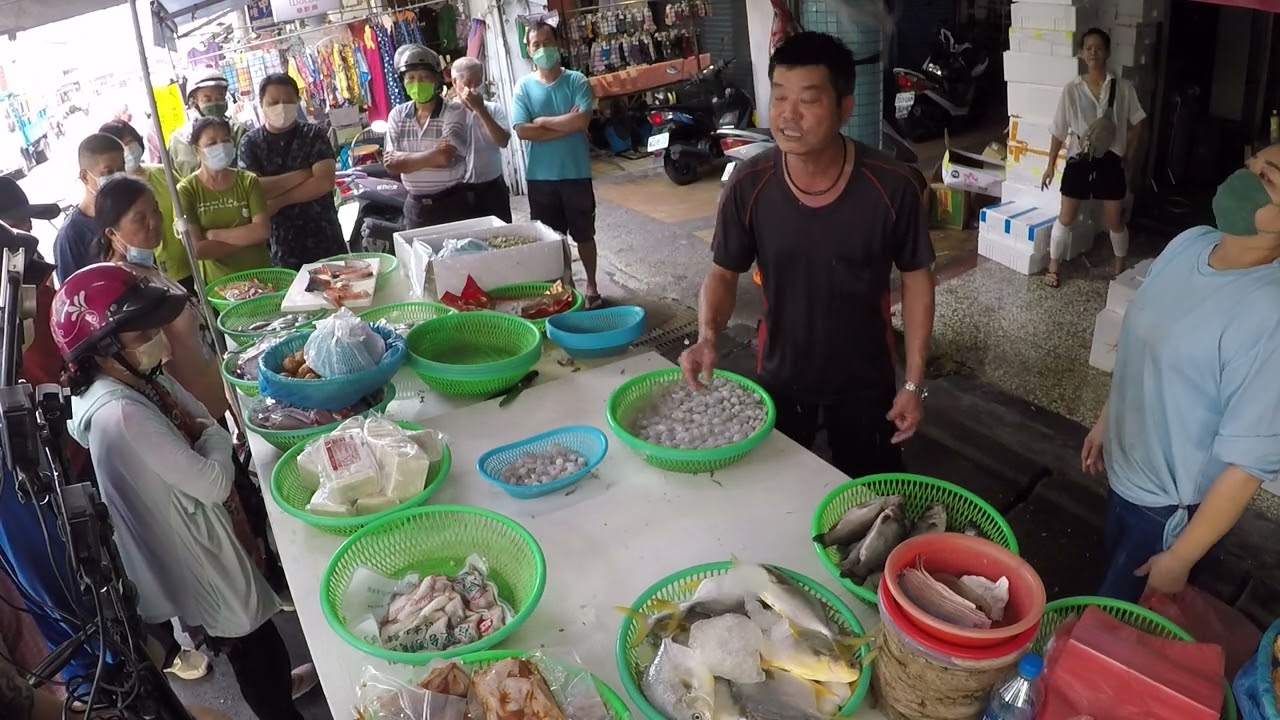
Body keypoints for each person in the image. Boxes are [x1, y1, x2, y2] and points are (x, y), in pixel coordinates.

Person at [679, 31, 936, 480]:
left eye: (809, 101)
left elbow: (917, 278)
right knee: (775, 491)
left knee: (870, 498)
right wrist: (707, 337)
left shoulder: (892, 186)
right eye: (779, 98)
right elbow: (723, 272)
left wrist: (913, 381)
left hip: (865, 380)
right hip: (779, 374)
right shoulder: (749, 182)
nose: (788, 115)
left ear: (844, 108)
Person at [53, 264, 306, 720]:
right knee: (253, 650)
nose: (159, 340)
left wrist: (210, 442)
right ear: (103, 350)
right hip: (198, 556)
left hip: (209, 536)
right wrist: (212, 444)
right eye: (143, 333)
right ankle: (278, 707)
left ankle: (280, 694)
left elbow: (208, 423)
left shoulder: (141, 378)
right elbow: (212, 479)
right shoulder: (120, 414)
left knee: (260, 642)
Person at [1081, 146, 1280, 603]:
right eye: (1250, 164)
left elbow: (1248, 463)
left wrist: (1181, 558)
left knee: (1115, 635)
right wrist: (1107, 418)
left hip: (1166, 512)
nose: (1245, 177)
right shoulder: (1192, 241)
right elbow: (1144, 343)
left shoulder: (1268, 314)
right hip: (1125, 473)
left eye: (1267, 179)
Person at [1040, 28, 1146, 288]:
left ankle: (1119, 265)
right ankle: (1054, 264)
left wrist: (1128, 156)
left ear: (1107, 52)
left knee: (1114, 220)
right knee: (1066, 216)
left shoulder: (1122, 88)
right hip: (1079, 160)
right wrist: (1050, 165)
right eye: (1088, 47)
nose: (1093, 52)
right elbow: (1059, 129)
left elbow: (1139, 122)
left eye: (1098, 47)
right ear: (1081, 53)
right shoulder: (1072, 90)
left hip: (1111, 160)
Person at [512, 22, 602, 308]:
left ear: (558, 44)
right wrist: (568, 124)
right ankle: (564, 287)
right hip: (540, 178)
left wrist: (543, 122)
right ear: (529, 49)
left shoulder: (577, 81)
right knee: (552, 241)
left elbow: (582, 121)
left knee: (584, 235)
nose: (543, 49)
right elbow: (522, 130)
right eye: (536, 44)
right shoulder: (524, 87)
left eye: (547, 42)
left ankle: (592, 285)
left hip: (575, 173)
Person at [238, 74, 345, 269]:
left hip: (326, 236)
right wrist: (303, 174)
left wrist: (278, 201)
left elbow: (324, 182)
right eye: (273, 102)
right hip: (281, 244)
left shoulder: (313, 134)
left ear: (297, 101)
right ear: (261, 104)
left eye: (288, 101)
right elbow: (256, 188)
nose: (281, 107)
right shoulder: (250, 142)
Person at [99, 120, 195, 292]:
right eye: (140, 218)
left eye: (155, 211)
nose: (154, 223)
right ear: (112, 233)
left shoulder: (163, 173)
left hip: (187, 265)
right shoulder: (121, 281)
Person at [383, 44, 471, 228]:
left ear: (436, 81)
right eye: (411, 78)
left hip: (452, 204)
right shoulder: (397, 115)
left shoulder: (453, 111)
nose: (417, 83)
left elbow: (444, 156)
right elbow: (391, 165)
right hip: (415, 209)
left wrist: (403, 159)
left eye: (424, 77)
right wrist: (432, 156)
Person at [177, 118, 272, 284]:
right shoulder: (186, 190)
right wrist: (247, 237)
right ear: (196, 151)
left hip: (261, 279)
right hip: (219, 287)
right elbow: (197, 249)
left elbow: (262, 232)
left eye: (226, 140)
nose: (220, 147)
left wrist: (214, 235)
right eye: (211, 143)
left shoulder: (248, 181)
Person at [53, 134, 126, 283]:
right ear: (85, 177)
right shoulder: (70, 235)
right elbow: (72, 297)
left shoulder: (127, 212)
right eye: (108, 173)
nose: (118, 177)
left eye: (122, 169)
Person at [451, 56, 513, 223]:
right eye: (468, 82)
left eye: (477, 83)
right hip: (460, 190)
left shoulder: (493, 109)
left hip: (493, 187)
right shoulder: (448, 113)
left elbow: (503, 141)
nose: (473, 89)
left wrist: (480, 110)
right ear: (454, 82)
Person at [168, 71, 250, 179]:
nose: (214, 103)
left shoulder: (238, 131)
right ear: (194, 100)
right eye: (207, 99)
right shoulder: (180, 140)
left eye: (219, 98)